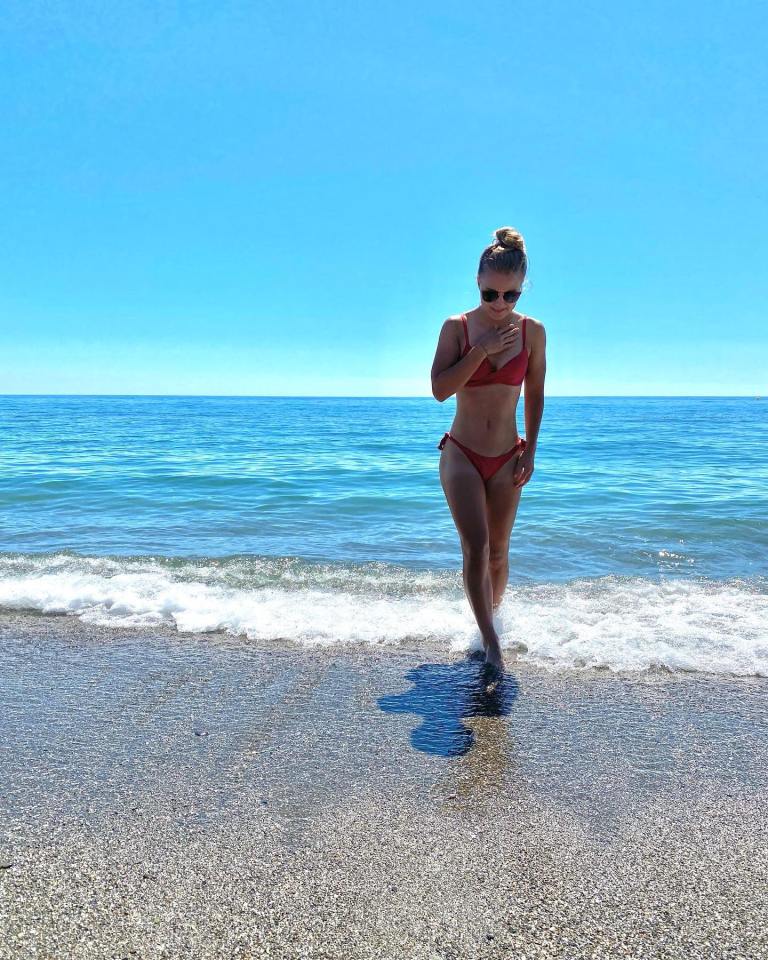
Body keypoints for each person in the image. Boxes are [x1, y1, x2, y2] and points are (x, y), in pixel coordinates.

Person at [430, 226, 547, 675]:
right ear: (477, 282)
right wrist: (481, 350)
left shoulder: (533, 332)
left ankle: (489, 620)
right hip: (460, 452)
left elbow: (535, 395)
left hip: (506, 457)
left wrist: (530, 452)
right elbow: (440, 389)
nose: (500, 304)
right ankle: (491, 642)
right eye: (490, 294)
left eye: (511, 295)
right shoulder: (456, 327)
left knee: (499, 551)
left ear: (522, 290)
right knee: (475, 547)